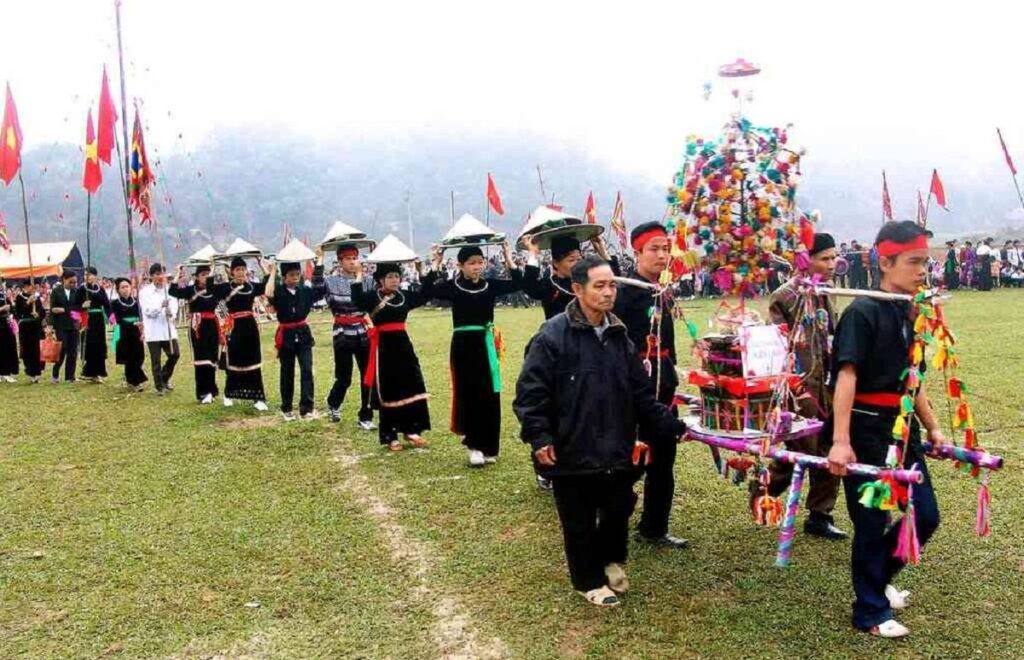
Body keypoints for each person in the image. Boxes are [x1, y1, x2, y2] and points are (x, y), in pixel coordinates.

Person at [514, 255, 685, 607]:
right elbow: (531, 393)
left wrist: (672, 426)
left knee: (619, 506)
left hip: (617, 441)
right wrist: (540, 436)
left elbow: (641, 394)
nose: (609, 293)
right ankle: (588, 581)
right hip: (571, 443)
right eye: (600, 286)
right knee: (578, 519)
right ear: (577, 290)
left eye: (612, 285)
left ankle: (610, 560)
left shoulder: (620, 335)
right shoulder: (552, 336)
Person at [827, 221, 946, 638]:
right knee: (871, 522)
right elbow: (845, 378)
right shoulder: (861, 311)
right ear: (885, 262)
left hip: (902, 429)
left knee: (926, 516)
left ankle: (879, 578)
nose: (921, 271)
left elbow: (914, 378)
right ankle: (869, 611)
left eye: (925, 262)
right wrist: (841, 441)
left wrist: (933, 429)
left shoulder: (911, 311)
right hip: (864, 432)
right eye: (913, 262)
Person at [757, 233, 846, 539]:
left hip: (830, 383)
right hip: (800, 388)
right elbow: (775, 343)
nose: (832, 264)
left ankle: (820, 515)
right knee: (801, 450)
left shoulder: (827, 290)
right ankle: (764, 489)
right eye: (825, 258)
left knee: (829, 448)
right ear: (807, 260)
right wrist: (791, 386)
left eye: (834, 257)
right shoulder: (785, 295)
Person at [612, 222, 687, 549]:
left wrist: (670, 375)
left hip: (663, 385)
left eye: (665, 248)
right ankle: (606, 520)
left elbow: (667, 342)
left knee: (663, 460)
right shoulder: (624, 292)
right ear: (637, 252)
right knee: (630, 461)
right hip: (634, 390)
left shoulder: (662, 290)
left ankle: (654, 528)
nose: (661, 255)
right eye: (653, 249)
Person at [422, 241, 523, 467]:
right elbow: (427, 290)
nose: (477, 267)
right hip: (463, 345)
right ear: (461, 265)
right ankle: (474, 446)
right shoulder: (454, 286)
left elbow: (519, 282)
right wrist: (436, 262)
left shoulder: (491, 285)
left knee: (490, 393)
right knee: (469, 393)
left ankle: (488, 446)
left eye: (480, 262)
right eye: (471, 263)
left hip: (486, 343)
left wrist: (508, 256)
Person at [352, 261, 431, 451]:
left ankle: (412, 430)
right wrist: (358, 274)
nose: (394, 280)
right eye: (389, 277)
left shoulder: (405, 297)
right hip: (383, 348)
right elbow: (356, 298)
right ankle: (390, 435)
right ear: (381, 280)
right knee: (389, 389)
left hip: (404, 346)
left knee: (412, 384)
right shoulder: (372, 297)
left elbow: (426, 294)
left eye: (397, 276)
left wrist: (421, 270)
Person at [321, 244, 374, 429]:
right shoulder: (330, 281)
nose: (353, 262)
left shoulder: (368, 281)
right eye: (348, 259)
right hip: (342, 332)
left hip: (363, 330)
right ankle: (333, 403)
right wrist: (319, 259)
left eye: (355, 258)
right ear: (340, 261)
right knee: (344, 376)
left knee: (367, 375)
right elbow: (316, 285)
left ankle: (365, 416)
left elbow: (372, 303)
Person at [266, 260, 324, 420]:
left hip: (303, 334)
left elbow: (318, 288)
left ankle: (307, 407)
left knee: (307, 369)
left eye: (297, 274)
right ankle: (287, 408)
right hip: (286, 335)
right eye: (291, 275)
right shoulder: (279, 292)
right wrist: (272, 272)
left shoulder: (304, 291)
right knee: (287, 372)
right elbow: (268, 294)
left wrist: (319, 261)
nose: (295, 278)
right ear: (284, 277)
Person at [211, 257, 270, 410]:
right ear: (232, 272)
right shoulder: (225, 287)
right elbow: (212, 292)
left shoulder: (251, 287)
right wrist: (212, 267)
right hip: (234, 327)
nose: (241, 273)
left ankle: (258, 398)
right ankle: (229, 394)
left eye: (243, 269)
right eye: (237, 270)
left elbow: (267, 285)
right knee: (235, 360)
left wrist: (261, 264)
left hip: (250, 327)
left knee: (253, 359)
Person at [171, 264, 222, 404]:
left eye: (208, 274)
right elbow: (172, 291)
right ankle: (203, 392)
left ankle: (212, 389)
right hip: (197, 327)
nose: (206, 277)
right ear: (197, 277)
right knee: (201, 359)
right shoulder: (190, 290)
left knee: (212, 358)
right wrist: (178, 273)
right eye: (203, 274)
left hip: (212, 325)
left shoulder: (214, 290)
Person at [139, 263, 181, 395]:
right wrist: (160, 306)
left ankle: (164, 377)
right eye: (157, 274)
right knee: (155, 360)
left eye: (162, 273)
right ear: (152, 276)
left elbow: (175, 309)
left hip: (168, 330)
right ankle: (159, 386)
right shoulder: (145, 292)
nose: (160, 277)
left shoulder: (169, 291)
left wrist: (171, 313)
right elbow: (147, 311)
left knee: (175, 354)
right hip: (154, 331)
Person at [111, 277, 148, 390]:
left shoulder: (136, 301)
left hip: (137, 330)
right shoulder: (115, 303)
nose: (125, 289)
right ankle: (133, 381)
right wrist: (130, 324)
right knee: (129, 356)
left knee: (139, 356)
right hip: (125, 331)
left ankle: (133, 378)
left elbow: (142, 316)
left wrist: (142, 327)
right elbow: (117, 319)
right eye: (122, 287)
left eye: (127, 286)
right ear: (118, 290)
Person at [47, 269, 82, 383]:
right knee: (63, 348)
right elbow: (53, 309)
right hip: (61, 325)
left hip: (74, 325)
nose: (73, 284)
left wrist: (64, 310)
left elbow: (77, 308)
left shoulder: (76, 292)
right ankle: (55, 373)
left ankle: (70, 376)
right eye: (70, 282)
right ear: (64, 280)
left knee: (73, 351)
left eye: (75, 282)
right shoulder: (56, 292)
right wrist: (50, 326)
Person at [79, 266, 112, 383]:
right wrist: (83, 306)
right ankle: (88, 371)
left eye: (88, 274)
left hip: (98, 319)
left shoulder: (100, 289)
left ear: (94, 276)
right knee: (90, 344)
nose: (86, 277)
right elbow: (74, 306)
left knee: (100, 345)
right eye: (84, 274)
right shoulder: (82, 289)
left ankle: (98, 372)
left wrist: (111, 318)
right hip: (87, 319)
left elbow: (107, 305)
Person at [14, 281, 45, 383]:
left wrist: (38, 314)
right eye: (32, 287)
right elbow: (18, 312)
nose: (34, 289)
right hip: (25, 326)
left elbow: (42, 312)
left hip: (36, 326)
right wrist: (28, 303)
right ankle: (30, 373)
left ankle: (37, 373)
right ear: (26, 287)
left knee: (37, 350)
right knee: (27, 350)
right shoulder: (19, 298)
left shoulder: (36, 298)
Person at [0, 279, 18, 382]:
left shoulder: (6, 296)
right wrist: (2, 309)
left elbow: (13, 310)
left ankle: (8, 372)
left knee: (9, 348)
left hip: (7, 325)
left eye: (3, 283)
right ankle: (3, 373)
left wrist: (11, 314)